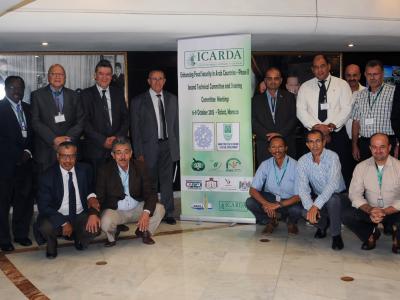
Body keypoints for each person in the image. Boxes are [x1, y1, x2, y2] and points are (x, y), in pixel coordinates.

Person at [35, 142, 101, 259]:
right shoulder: (47, 176)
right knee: (45, 227)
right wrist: (64, 222)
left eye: (72, 156)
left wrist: (92, 206)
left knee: (95, 226)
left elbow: (91, 189)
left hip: (79, 213)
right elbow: (44, 207)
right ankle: (52, 243)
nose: (68, 160)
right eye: (64, 156)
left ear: (76, 156)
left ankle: (78, 237)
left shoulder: (85, 169)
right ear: (57, 156)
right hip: (57, 213)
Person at [130, 70, 179, 225]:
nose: (157, 82)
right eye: (154, 79)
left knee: (167, 182)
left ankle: (168, 212)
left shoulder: (172, 99)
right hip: (148, 148)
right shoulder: (138, 101)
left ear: (164, 81)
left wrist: (177, 148)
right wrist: (138, 153)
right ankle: (149, 212)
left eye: (160, 79)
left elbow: (176, 126)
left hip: (168, 146)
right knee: (150, 183)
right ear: (148, 81)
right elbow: (135, 130)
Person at [97, 137, 165, 247]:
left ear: (131, 153)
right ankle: (113, 234)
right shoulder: (104, 170)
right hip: (117, 210)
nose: (123, 157)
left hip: (137, 207)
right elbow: (99, 196)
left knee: (159, 209)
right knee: (105, 222)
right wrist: (93, 214)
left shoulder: (140, 166)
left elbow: (151, 192)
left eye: (126, 152)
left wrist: (146, 212)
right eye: (118, 153)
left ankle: (144, 231)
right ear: (113, 155)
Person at [297, 54, 353, 187]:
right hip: (313, 136)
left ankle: (340, 199)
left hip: (336, 135)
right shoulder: (305, 87)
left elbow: (346, 109)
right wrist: (317, 127)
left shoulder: (342, 84)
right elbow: (300, 111)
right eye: (316, 67)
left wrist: (330, 127)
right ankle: (314, 200)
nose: (319, 70)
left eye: (322, 66)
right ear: (312, 69)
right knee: (313, 169)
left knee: (340, 169)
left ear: (328, 66)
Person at [344, 133, 400, 253]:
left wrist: (385, 211)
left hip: (394, 211)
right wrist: (370, 210)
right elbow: (354, 194)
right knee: (346, 213)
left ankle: (397, 236)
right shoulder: (361, 167)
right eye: (374, 147)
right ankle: (371, 233)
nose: (378, 150)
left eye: (382, 147)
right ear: (370, 148)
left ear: (389, 147)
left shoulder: (399, 167)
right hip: (371, 211)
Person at [297, 129, 347, 250]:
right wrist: (310, 208)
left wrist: (315, 206)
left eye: (318, 141)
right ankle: (323, 225)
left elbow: (332, 185)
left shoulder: (333, 157)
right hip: (320, 198)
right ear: (307, 145)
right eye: (311, 142)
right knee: (304, 212)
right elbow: (303, 189)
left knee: (333, 200)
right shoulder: (303, 161)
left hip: (339, 196)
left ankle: (336, 235)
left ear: (324, 142)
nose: (315, 145)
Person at [0, 76, 33, 252]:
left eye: (20, 87)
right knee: (3, 204)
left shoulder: (28, 109)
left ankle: (21, 234)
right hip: (5, 166)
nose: (17, 91)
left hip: (26, 166)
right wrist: (16, 155)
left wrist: (27, 152)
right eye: (13, 87)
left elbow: (32, 134)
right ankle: (4, 239)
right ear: (6, 89)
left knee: (24, 201)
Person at [31, 64, 85, 172]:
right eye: (53, 74)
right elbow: (35, 121)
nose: (57, 77)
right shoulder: (37, 95)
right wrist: (54, 139)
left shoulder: (74, 95)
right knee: (46, 184)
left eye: (60, 74)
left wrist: (67, 139)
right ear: (48, 77)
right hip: (46, 151)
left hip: (69, 150)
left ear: (65, 77)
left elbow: (81, 121)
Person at [81, 59, 129, 179]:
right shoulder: (85, 94)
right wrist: (103, 140)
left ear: (111, 77)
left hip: (117, 149)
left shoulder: (118, 93)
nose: (104, 77)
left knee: (117, 183)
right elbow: (84, 122)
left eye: (107, 74)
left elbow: (126, 119)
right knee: (97, 186)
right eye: (101, 74)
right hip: (95, 149)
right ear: (95, 76)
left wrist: (116, 139)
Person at [246, 136, 302, 234]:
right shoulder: (265, 164)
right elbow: (252, 190)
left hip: (288, 200)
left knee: (297, 210)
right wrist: (266, 203)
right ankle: (271, 221)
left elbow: (298, 196)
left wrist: (277, 205)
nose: (277, 150)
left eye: (280, 147)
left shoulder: (296, 166)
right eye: (273, 147)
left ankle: (291, 222)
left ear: (286, 148)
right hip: (271, 198)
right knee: (250, 202)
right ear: (269, 149)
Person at [352, 60, 398, 162]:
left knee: (387, 174)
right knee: (367, 175)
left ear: (382, 74)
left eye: (375, 74)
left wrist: (398, 144)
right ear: (365, 74)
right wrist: (354, 145)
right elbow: (355, 122)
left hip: (386, 144)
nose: (372, 78)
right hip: (365, 144)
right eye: (369, 74)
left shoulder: (394, 92)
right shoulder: (360, 95)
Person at [252, 67, 297, 165]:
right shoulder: (256, 100)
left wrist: (279, 134)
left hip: (286, 144)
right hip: (265, 145)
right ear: (265, 80)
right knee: (267, 176)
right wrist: (268, 136)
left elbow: (293, 119)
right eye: (269, 78)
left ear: (281, 81)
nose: (273, 81)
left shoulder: (289, 97)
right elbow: (253, 121)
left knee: (288, 176)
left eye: (276, 78)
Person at [344, 64, 366, 139]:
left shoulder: (367, 93)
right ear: (345, 76)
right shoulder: (338, 92)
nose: (351, 78)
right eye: (348, 75)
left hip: (361, 137)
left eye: (354, 75)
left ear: (359, 76)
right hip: (342, 138)